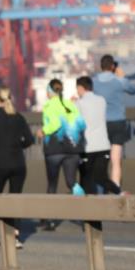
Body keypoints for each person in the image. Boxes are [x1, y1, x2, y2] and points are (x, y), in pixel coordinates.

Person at [0, 88, 34, 248]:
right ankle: (16, 235)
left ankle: (6, 233)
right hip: (18, 163)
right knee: (15, 198)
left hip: (0, 163)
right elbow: (29, 139)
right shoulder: (18, 117)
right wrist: (16, 144)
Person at [40, 78, 87, 228]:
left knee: (52, 184)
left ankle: (50, 219)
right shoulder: (70, 104)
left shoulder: (49, 105)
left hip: (54, 149)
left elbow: (55, 123)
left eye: (47, 91)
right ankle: (84, 215)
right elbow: (81, 124)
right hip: (72, 150)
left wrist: (43, 131)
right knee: (72, 182)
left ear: (50, 92)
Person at [94, 54, 135, 191]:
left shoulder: (93, 82)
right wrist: (122, 77)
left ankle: (101, 191)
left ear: (101, 67)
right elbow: (133, 91)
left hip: (101, 124)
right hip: (118, 123)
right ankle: (116, 189)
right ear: (113, 66)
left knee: (101, 161)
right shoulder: (119, 81)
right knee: (116, 160)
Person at [75, 76, 120, 196]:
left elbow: (75, 122)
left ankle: (88, 209)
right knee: (101, 177)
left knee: (86, 178)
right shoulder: (102, 100)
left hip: (88, 148)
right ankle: (119, 192)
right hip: (104, 146)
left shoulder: (79, 103)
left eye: (77, 89)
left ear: (80, 88)